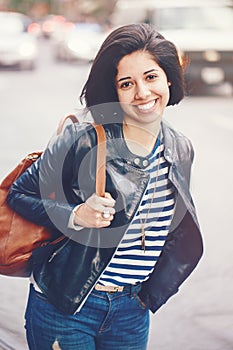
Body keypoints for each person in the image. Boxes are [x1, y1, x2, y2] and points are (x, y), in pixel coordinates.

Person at [7, 23, 203, 350]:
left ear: (169, 77)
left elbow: (170, 230)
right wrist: (75, 215)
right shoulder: (81, 140)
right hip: (65, 307)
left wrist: (149, 297)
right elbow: (19, 195)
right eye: (127, 83)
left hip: (131, 310)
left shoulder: (180, 148)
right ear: (114, 92)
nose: (142, 92)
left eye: (151, 77)